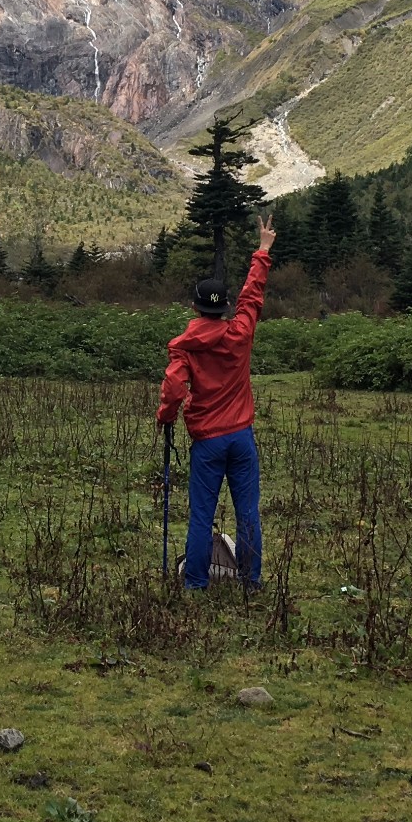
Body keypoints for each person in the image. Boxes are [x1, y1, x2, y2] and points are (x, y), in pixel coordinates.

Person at [158, 212, 276, 589]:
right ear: (226, 307)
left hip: (207, 442)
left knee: (201, 515)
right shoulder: (240, 334)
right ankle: (250, 581)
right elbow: (252, 297)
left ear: (194, 307)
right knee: (247, 515)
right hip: (241, 437)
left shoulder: (185, 346)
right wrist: (262, 250)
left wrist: (166, 416)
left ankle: (195, 583)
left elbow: (175, 389)